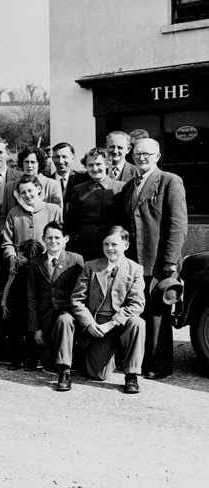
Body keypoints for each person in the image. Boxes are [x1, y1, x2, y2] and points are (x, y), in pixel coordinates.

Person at [122, 138, 187, 380]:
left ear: (157, 156)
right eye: (138, 154)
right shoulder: (129, 186)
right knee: (138, 312)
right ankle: (140, 360)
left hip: (158, 261)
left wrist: (170, 261)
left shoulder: (170, 181)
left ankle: (160, 365)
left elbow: (178, 225)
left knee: (158, 314)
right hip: (134, 262)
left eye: (147, 154)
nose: (142, 158)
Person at [71, 226, 146, 394]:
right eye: (106, 244)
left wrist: (112, 323)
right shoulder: (91, 266)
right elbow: (77, 299)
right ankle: (112, 353)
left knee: (138, 323)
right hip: (97, 324)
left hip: (120, 322)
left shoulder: (135, 269)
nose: (110, 248)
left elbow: (137, 304)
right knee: (98, 375)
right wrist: (89, 324)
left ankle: (131, 376)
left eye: (114, 244)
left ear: (126, 245)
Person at [26, 222, 84, 390]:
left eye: (57, 237)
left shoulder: (75, 260)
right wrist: (35, 328)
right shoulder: (36, 263)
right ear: (43, 239)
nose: (53, 241)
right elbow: (31, 298)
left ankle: (64, 372)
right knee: (47, 363)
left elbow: (81, 292)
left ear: (65, 239)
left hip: (67, 316)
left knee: (64, 320)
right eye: (49, 238)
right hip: (45, 319)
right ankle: (55, 361)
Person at [64, 147, 125, 261]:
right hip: (85, 249)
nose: (95, 168)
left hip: (112, 249)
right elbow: (71, 222)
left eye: (98, 164)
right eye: (90, 165)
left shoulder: (121, 188)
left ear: (107, 164)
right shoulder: (78, 190)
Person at [2, 174, 62, 275]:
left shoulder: (53, 210)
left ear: (38, 189)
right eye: (23, 192)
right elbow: (7, 242)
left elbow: (60, 239)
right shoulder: (14, 213)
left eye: (30, 190)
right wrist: (12, 259)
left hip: (46, 266)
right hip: (22, 267)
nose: (27, 195)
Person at [1, 238, 44, 370]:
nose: (18, 259)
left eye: (21, 257)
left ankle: (32, 360)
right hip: (15, 305)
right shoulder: (17, 268)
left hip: (29, 308)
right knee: (15, 334)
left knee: (31, 335)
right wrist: (4, 303)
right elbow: (8, 285)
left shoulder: (38, 271)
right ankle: (15, 360)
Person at [0, 146, 62, 233]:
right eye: (26, 162)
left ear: (39, 163)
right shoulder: (9, 187)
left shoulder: (53, 185)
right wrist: (4, 234)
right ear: (22, 163)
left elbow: (57, 217)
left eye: (33, 162)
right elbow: (4, 215)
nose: (29, 166)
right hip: (16, 240)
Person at [50, 142, 88, 214]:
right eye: (57, 157)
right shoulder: (47, 181)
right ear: (52, 158)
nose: (60, 161)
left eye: (64, 157)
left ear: (73, 158)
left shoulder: (83, 179)